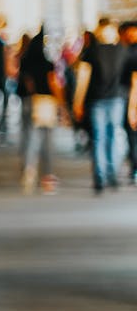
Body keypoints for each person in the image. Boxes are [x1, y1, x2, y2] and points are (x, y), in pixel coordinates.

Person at [74, 18, 128, 193]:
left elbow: (83, 77)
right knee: (114, 135)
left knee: (99, 137)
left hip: (97, 99)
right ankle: (112, 173)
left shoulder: (91, 51)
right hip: (117, 99)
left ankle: (100, 176)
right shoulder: (122, 50)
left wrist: (78, 101)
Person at [17, 27, 64, 194]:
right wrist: (62, 104)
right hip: (46, 103)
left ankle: (28, 172)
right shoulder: (47, 63)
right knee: (47, 140)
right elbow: (54, 84)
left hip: (29, 101)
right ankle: (47, 176)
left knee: (30, 138)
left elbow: (22, 80)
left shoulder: (25, 60)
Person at [122, 20, 137, 183]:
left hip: (131, 94)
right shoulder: (125, 51)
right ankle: (134, 166)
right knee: (132, 134)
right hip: (129, 94)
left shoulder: (126, 52)